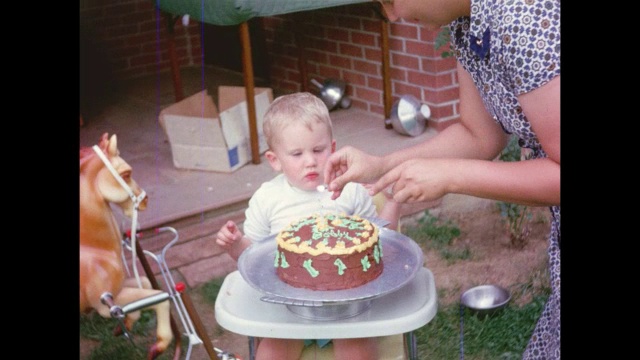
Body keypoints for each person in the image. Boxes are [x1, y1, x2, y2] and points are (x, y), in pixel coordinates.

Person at [324, 0, 560, 359]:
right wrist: (381, 165)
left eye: (389, 0)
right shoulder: (466, 24)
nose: (392, 17)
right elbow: (480, 134)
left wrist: (451, 176)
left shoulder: (521, 16)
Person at [216, 92, 400, 360]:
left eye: (318, 150)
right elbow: (252, 259)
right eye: (296, 154)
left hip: (347, 306)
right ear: (274, 160)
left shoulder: (349, 190)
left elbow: (379, 240)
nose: (310, 161)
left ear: (333, 148)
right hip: (289, 307)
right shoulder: (267, 198)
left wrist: (394, 202)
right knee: (270, 354)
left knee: (357, 353)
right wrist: (234, 244)